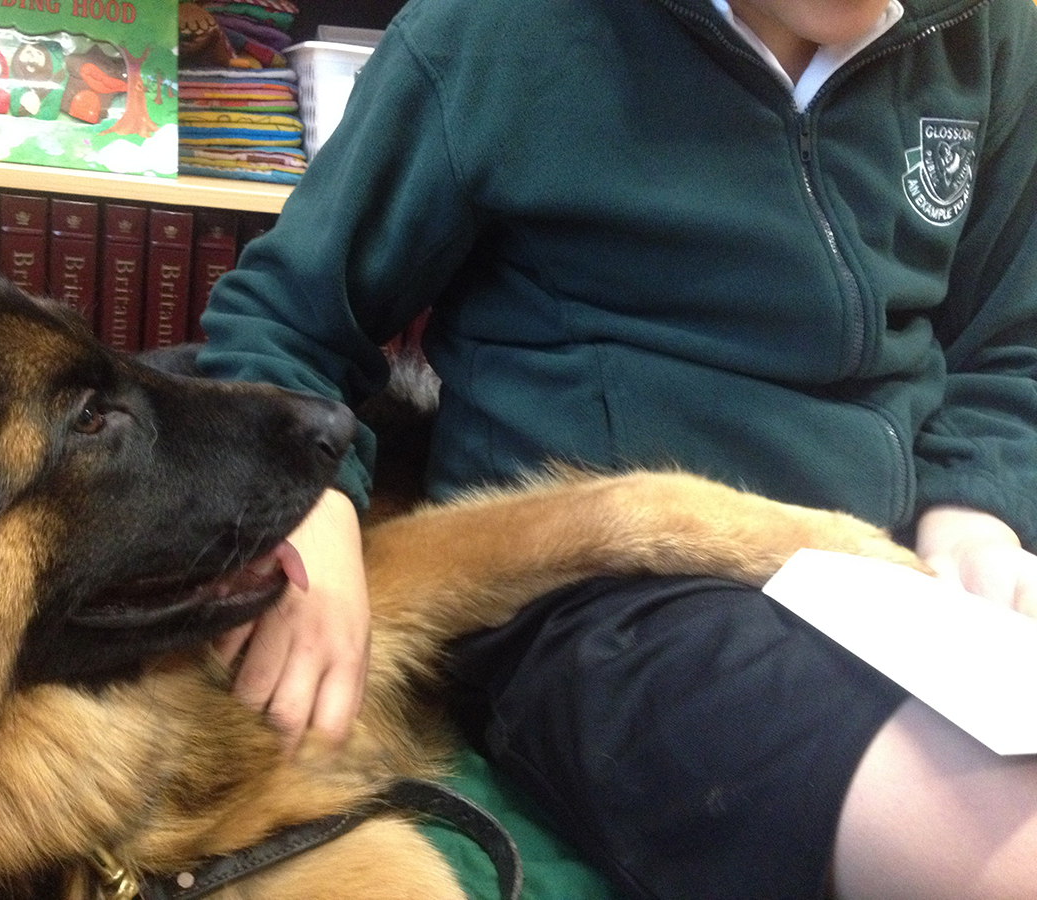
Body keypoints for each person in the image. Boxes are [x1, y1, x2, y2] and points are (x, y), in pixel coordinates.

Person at [199, 0, 1037, 896]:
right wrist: (312, 506)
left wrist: (975, 513)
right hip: (606, 590)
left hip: (898, 581)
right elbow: (284, 321)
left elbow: (1009, 340)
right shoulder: (493, 33)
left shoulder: (993, 32)